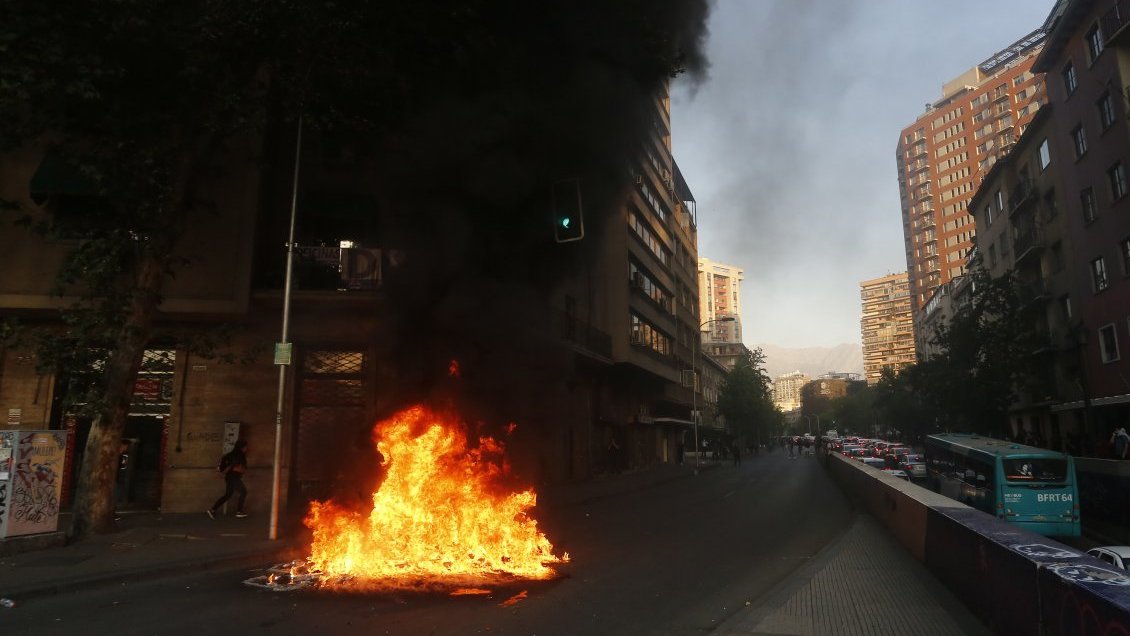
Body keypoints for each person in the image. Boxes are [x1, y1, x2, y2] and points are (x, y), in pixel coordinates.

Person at [207, 439, 249, 518]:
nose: (247, 449)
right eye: (246, 447)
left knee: (228, 495)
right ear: (242, 447)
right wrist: (244, 472)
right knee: (244, 491)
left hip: (229, 477)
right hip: (234, 477)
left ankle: (212, 510)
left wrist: (224, 473)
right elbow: (235, 467)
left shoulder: (230, 454)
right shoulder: (240, 454)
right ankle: (239, 511)